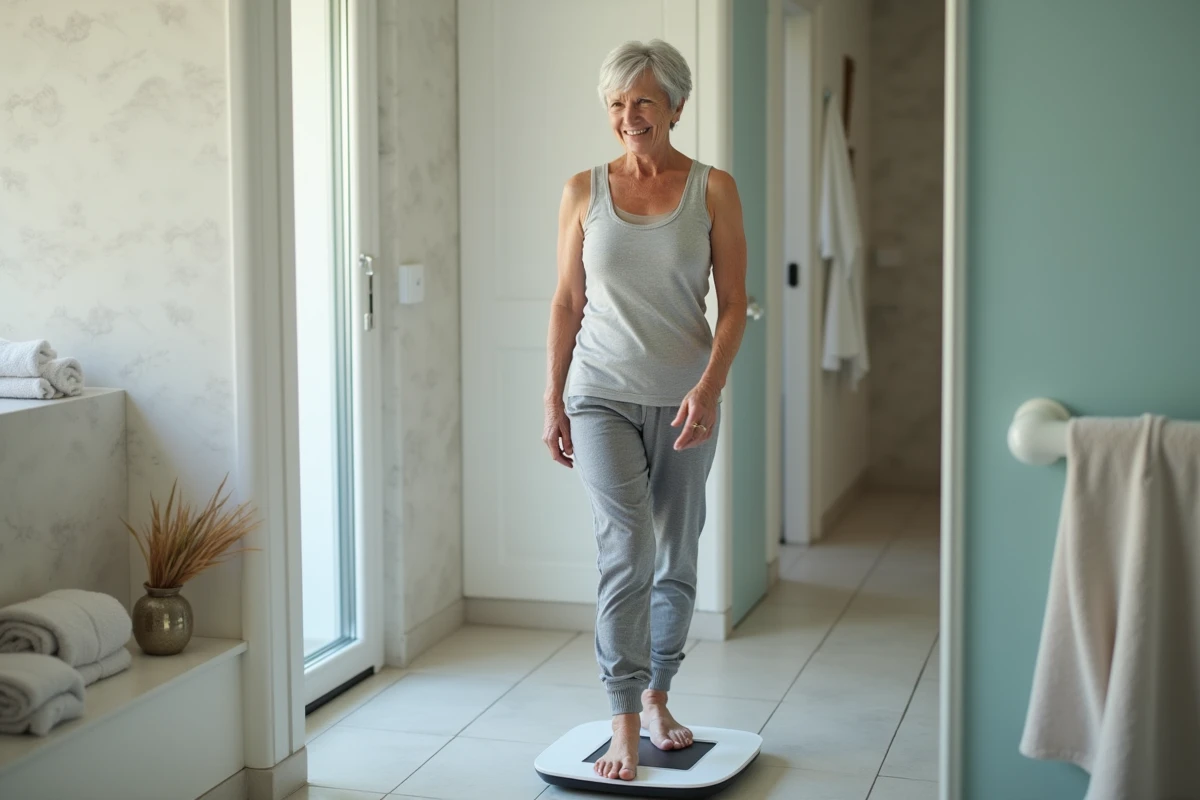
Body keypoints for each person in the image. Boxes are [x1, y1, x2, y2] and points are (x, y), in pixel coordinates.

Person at [541, 39, 748, 783]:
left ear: (677, 108)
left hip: (686, 397)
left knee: (677, 550)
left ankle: (659, 695)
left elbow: (733, 307)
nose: (629, 117)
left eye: (644, 103)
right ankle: (623, 717)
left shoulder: (713, 190)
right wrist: (553, 398)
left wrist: (710, 386)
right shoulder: (581, 190)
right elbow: (568, 302)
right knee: (626, 550)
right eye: (617, 104)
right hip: (599, 392)